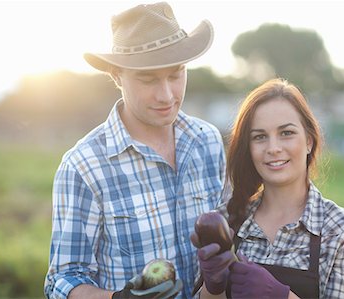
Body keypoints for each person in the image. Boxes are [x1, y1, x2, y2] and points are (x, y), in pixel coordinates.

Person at [44, 2, 226, 299]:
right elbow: (62, 281)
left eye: (176, 73)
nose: (166, 94)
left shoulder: (207, 141)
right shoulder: (83, 167)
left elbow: (224, 242)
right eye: (148, 79)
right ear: (117, 75)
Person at [191, 78, 344, 298]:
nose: (273, 148)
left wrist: (281, 295)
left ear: (309, 141)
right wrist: (214, 287)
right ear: (247, 149)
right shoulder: (225, 220)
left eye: (286, 133)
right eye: (259, 137)